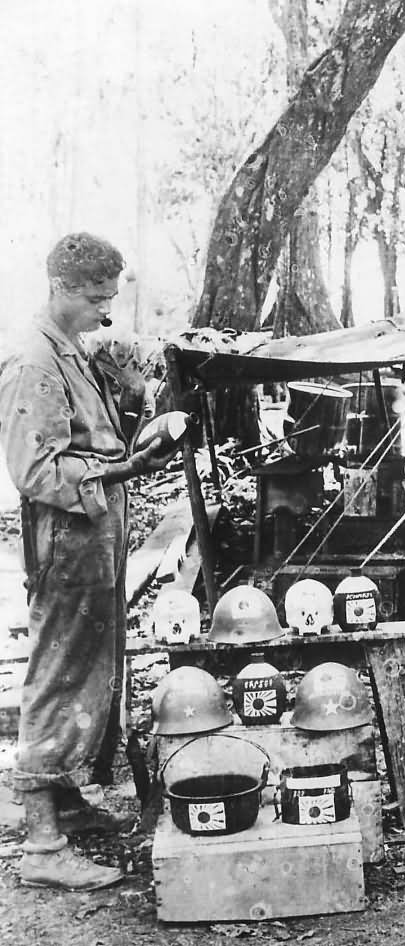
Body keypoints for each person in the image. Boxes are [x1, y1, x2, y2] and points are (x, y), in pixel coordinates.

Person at [0, 233, 176, 890]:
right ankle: (43, 845)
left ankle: (65, 803)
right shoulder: (33, 361)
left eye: (111, 297)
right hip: (66, 542)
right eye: (97, 298)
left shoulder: (70, 349)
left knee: (89, 666)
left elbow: (89, 437)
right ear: (62, 288)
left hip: (93, 538)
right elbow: (36, 471)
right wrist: (130, 466)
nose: (107, 311)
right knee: (59, 673)